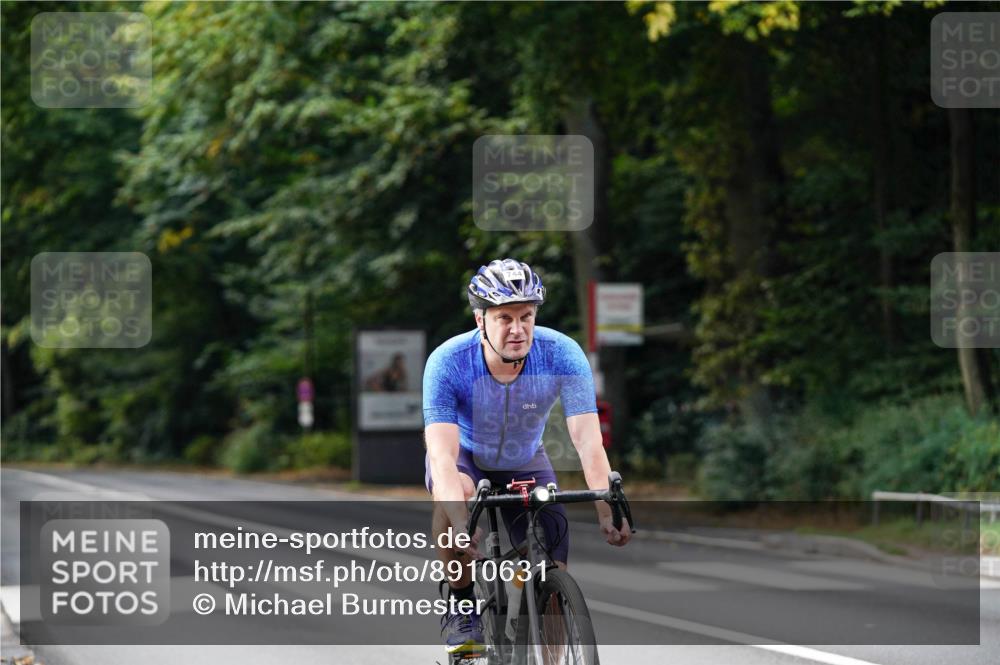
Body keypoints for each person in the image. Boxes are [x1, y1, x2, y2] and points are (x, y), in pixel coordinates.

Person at [422, 258, 632, 654]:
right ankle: (463, 603)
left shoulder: (561, 354)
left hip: (524, 458)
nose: (517, 329)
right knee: (455, 497)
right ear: (480, 319)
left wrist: (607, 508)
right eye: (504, 317)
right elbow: (442, 456)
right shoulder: (447, 362)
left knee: (554, 567)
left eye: (526, 316)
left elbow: (587, 441)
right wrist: (459, 522)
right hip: (466, 457)